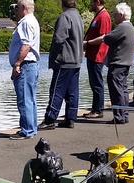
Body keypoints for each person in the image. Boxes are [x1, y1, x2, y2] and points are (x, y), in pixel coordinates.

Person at [85, 3, 134, 125]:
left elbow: (107, 38)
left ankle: (119, 116)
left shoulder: (122, 27)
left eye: (115, 14)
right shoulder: (130, 27)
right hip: (125, 63)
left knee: (117, 90)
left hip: (118, 63)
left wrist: (89, 42)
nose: (114, 17)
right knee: (123, 90)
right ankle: (124, 115)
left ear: (121, 15)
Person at [38, 0, 84, 130]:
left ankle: (50, 119)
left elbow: (59, 39)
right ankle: (70, 118)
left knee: (56, 90)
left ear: (63, 3)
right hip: (76, 60)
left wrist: (53, 54)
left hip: (64, 61)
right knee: (72, 92)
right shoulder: (78, 16)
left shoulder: (65, 17)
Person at [8, 0, 41, 140]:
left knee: (25, 99)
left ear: (24, 7)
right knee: (30, 98)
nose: (16, 10)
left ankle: (27, 130)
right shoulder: (31, 21)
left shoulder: (26, 22)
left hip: (26, 65)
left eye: (18, 7)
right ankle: (30, 128)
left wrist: (17, 64)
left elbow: (26, 46)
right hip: (30, 65)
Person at [82, 0, 111, 119]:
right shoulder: (99, 15)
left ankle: (98, 110)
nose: (90, 4)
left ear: (98, 1)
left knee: (97, 83)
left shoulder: (103, 16)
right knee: (94, 83)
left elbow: (103, 37)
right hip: (92, 54)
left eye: (92, 2)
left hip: (98, 55)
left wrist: (88, 43)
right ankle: (95, 108)